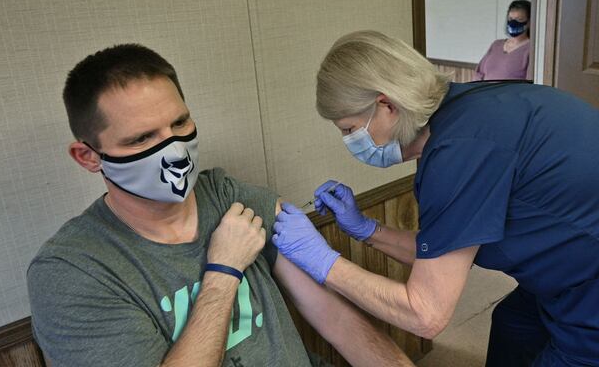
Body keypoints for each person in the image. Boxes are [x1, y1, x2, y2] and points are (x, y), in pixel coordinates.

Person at [271, 31, 599, 366]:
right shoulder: (468, 108)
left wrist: (320, 259)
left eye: (350, 130)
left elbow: (425, 314)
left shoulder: (459, 152)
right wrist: (367, 230)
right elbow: (449, 254)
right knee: (514, 323)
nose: (352, 142)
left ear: (387, 106)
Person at [26, 44, 414, 367]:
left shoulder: (226, 195)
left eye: (179, 124)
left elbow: (334, 316)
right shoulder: (73, 272)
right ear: (88, 157)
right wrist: (223, 271)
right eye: (142, 139)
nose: (174, 150)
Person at [473, 0, 531, 81]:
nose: (513, 23)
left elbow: (529, 84)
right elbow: (479, 72)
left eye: (519, 19)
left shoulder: (530, 50)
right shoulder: (496, 44)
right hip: (484, 92)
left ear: (529, 22)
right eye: (511, 19)